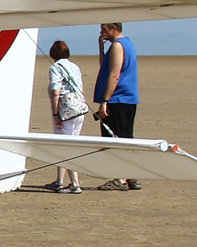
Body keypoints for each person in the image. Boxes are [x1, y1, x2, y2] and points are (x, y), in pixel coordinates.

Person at [93, 22, 140, 190]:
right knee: (126, 137)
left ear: (114, 28)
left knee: (116, 138)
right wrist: (100, 47)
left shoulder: (118, 46)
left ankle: (121, 178)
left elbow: (114, 75)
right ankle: (131, 175)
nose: (101, 32)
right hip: (127, 99)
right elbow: (105, 67)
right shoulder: (123, 45)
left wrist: (105, 100)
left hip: (118, 99)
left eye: (104, 28)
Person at [45, 39, 87, 193]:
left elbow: (56, 92)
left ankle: (75, 184)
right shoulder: (75, 67)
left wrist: (56, 114)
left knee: (65, 146)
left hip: (66, 110)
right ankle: (60, 180)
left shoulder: (55, 68)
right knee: (69, 144)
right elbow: (81, 88)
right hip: (79, 108)